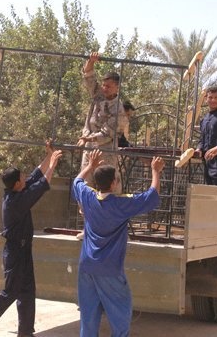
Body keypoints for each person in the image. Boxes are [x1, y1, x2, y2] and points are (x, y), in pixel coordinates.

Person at [0, 141, 63, 337]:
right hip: (15, 253)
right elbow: (44, 182)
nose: (25, 177)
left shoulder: (17, 189)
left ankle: (25, 332)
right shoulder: (16, 202)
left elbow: (37, 173)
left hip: (23, 250)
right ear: (17, 184)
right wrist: (53, 163)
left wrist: (48, 155)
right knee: (10, 292)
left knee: (27, 293)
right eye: (22, 177)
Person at [72, 149, 165, 337]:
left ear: (97, 183)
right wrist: (156, 171)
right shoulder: (121, 204)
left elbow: (77, 181)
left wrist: (90, 166)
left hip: (87, 267)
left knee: (88, 315)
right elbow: (152, 196)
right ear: (114, 183)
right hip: (109, 269)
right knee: (120, 313)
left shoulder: (88, 196)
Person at [77, 51, 128, 187]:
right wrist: (91, 60)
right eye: (104, 85)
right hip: (89, 147)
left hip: (106, 150)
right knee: (86, 185)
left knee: (105, 187)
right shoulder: (98, 95)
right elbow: (88, 76)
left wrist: (86, 139)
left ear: (117, 88)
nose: (104, 89)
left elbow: (106, 133)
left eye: (108, 86)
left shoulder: (119, 110)